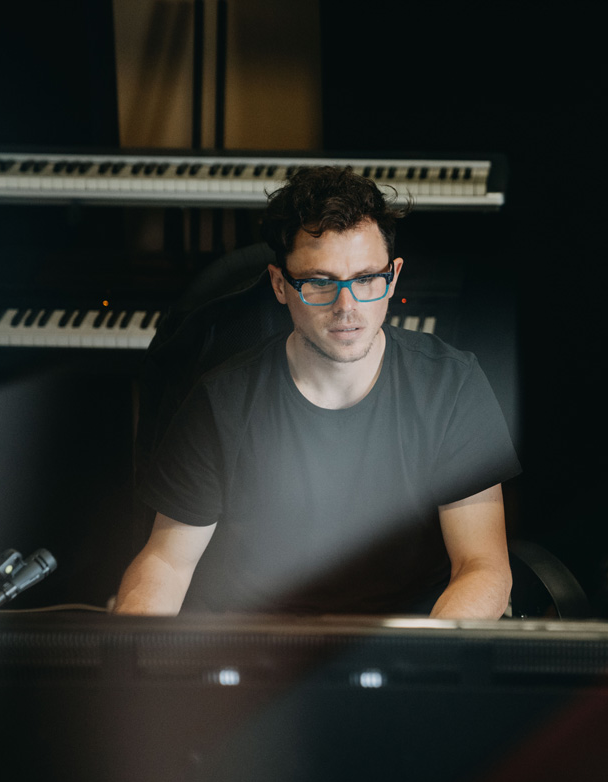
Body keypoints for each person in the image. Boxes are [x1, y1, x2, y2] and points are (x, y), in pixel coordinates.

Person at [114, 166, 520, 618]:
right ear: (279, 284)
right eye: (321, 282)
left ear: (393, 277)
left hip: (410, 638)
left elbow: (482, 567)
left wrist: (423, 654)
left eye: (366, 278)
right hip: (261, 645)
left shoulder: (452, 386)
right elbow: (167, 563)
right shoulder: (221, 401)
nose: (347, 307)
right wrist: (135, 646)